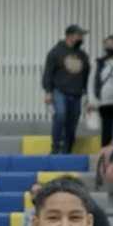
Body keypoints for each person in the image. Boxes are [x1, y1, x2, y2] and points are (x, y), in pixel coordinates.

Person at [42, 24, 91, 154]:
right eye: (79, 35)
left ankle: (66, 151)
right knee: (60, 115)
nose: (81, 38)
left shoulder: (82, 55)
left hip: (76, 93)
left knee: (72, 124)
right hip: (60, 91)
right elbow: (48, 73)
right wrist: (48, 92)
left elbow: (87, 75)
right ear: (70, 35)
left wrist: (89, 96)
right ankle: (55, 147)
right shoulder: (56, 52)